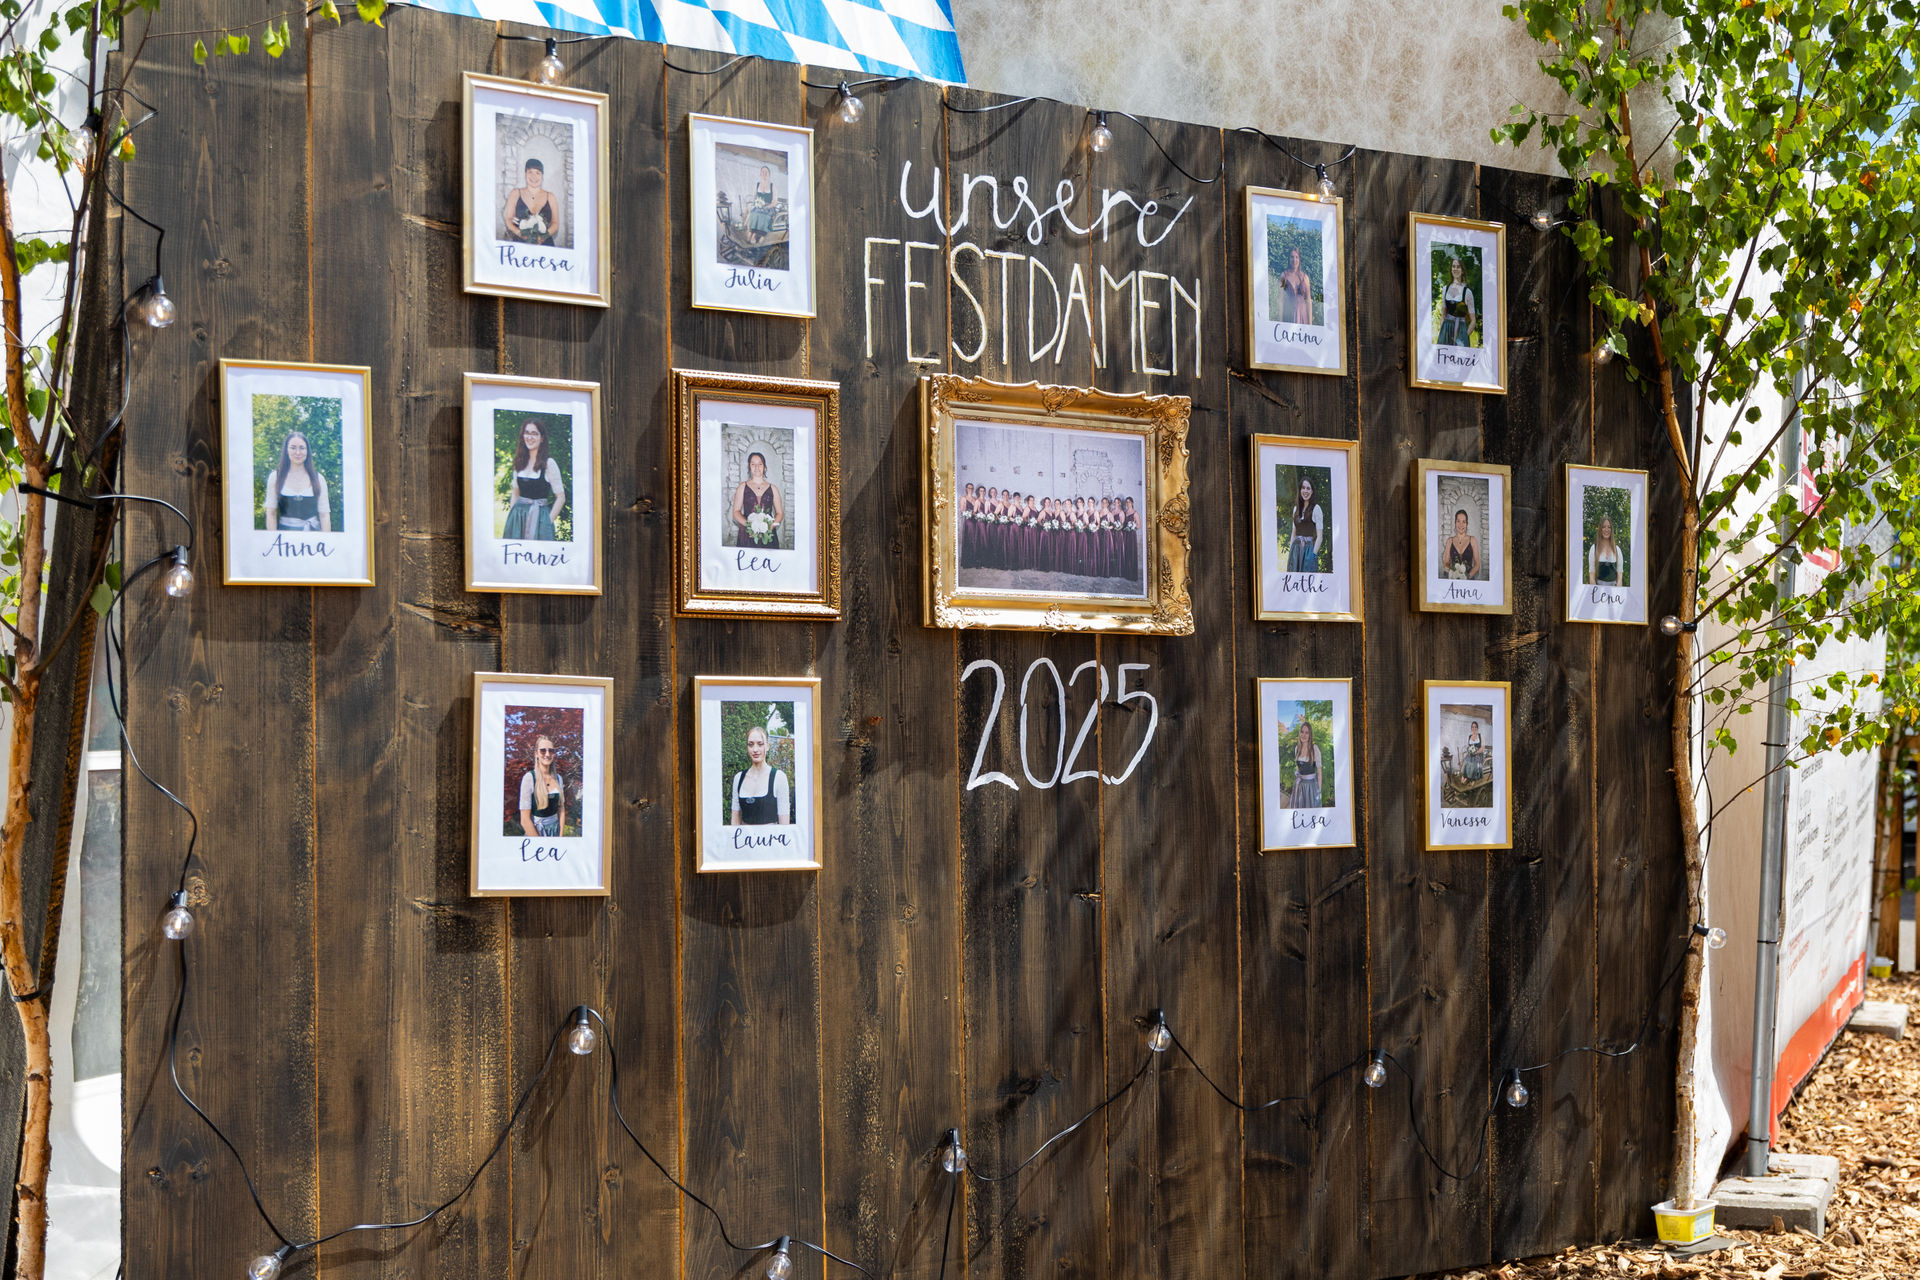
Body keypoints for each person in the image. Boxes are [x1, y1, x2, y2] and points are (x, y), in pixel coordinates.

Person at [502, 418, 566, 542]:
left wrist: (548, 521)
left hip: (539, 519)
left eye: (534, 433)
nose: (530, 437)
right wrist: (513, 517)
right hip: (517, 519)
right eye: (527, 433)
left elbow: (561, 497)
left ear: (542, 438)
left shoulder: (549, 464)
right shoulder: (519, 463)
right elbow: (515, 493)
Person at [265, 430, 330, 532]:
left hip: (313, 537)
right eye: (293, 448)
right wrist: (273, 539)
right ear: (286, 450)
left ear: (307, 451)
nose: (298, 452)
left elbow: (324, 515)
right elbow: (271, 514)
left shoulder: (319, 479)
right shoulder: (275, 477)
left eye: (302, 448)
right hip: (285, 538)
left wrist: (325, 540)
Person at [730, 724, 790, 825]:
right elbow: (735, 820)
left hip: (771, 836)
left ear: (767, 746)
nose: (755, 749)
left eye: (760, 744)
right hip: (745, 836)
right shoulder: (739, 778)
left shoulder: (779, 778)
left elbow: (784, 825)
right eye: (751, 744)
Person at [501, 157, 561, 246]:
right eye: (530, 172)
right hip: (520, 243)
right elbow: (509, 219)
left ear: (542, 176)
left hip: (545, 245)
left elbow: (555, 223)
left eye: (538, 173)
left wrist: (542, 237)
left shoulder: (551, 197)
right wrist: (521, 234)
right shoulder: (515, 193)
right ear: (525, 174)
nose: (534, 176)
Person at [731, 451, 785, 549]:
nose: (757, 467)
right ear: (749, 467)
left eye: (760, 464)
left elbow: (780, 513)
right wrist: (750, 526)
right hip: (747, 535)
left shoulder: (773, 488)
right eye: (753, 464)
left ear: (765, 467)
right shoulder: (742, 487)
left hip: (768, 535)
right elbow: (736, 512)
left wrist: (770, 526)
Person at [518, 735, 566, 838]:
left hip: (555, 832)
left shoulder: (558, 778)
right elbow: (525, 820)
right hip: (536, 833)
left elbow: (561, 808)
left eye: (551, 751)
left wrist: (560, 837)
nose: (547, 754)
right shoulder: (529, 778)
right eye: (543, 750)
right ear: (536, 754)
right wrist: (540, 843)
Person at [1437, 254, 1477, 347]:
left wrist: (1464, 337)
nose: (1455, 269)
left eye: (1458, 267)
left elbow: (1473, 321)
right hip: (1446, 331)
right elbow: (1443, 315)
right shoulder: (1445, 289)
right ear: (1451, 269)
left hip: (1460, 331)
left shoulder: (1467, 292)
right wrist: (1443, 332)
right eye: (1453, 266)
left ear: (1462, 270)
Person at [1287, 475, 1325, 574]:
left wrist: (1313, 555)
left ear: (1312, 491)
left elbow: (1320, 537)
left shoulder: (1316, 509)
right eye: (1303, 488)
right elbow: (1293, 534)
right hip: (1296, 551)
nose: (1305, 491)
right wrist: (1291, 553)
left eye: (1308, 488)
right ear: (1300, 490)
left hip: (1308, 551)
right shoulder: (1296, 509)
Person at [1288, 720, 1323, 808]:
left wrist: (1318, 793)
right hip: (1299, 785)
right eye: (1302, 732)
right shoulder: (1297, 748)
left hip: (1311, 787)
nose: (1304, 735)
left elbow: (1319, 773)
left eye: (1307, 733)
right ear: (1299, 733)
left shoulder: (1314, 749)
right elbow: (1299, 768)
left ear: (1310, 735)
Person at [1279, 246, 1315, 325]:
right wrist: (1280, 321)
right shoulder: (1283, 276)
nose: (1294, 260)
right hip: (1289, 315)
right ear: (1289, 259)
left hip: (1302, 315)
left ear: (1299, 259)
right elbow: (1281, 300)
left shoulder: (1305, 278)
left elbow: (1308, 301)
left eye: (1296, 257)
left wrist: (1310, 324)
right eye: (1292, 257)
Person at [1443, 509, 1480, 579]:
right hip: (1453, 580)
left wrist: (1466, 577)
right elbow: (1446, 563)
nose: (1461, 524)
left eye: (1464, 521)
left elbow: (1477, 565)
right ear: (1455, 523)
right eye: (1458, 521)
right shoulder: (1449, 541)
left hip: (1469, 580)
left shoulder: (1472, 540)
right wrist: (1453, 574)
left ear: (1467, 524)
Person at [1587, 513, 1623, 585]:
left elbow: (1619, 576)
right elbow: (1591, 576)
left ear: (1611, 530)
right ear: (1600, 529)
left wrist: (1617, 590)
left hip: (1613, 591)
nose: (1606, 530)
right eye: (1603, 527)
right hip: (1598, 590)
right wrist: (1596, 591)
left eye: (1609, 527)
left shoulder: (1617, 550)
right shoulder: (1594, 549)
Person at [747, 164, 778, 241]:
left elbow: (775, 201)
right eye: (763, 172)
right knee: (754, 213)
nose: (764, 173)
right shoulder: (757, 185)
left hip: (769, 207)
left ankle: (757, 235)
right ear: (760, 174)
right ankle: (751, 232)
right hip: (758, 206)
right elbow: (754, 198)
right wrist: (756, 204)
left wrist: (767, 206)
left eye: (766, 172)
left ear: (769, 174)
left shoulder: (772, 186)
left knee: (763, 215)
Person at [1120, 496, 1141, 582]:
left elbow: (1139, 526)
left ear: (1132, 503)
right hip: (1125, 534)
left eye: (1129, 502)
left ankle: (1132, 574)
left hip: (1131, 535)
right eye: (1126, 502)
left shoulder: (1135, 513)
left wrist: (1132, 527)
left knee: (1131, 552)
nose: (1128, 503)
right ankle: (1126, 573)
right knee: (1125, 552)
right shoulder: (1124, 512)